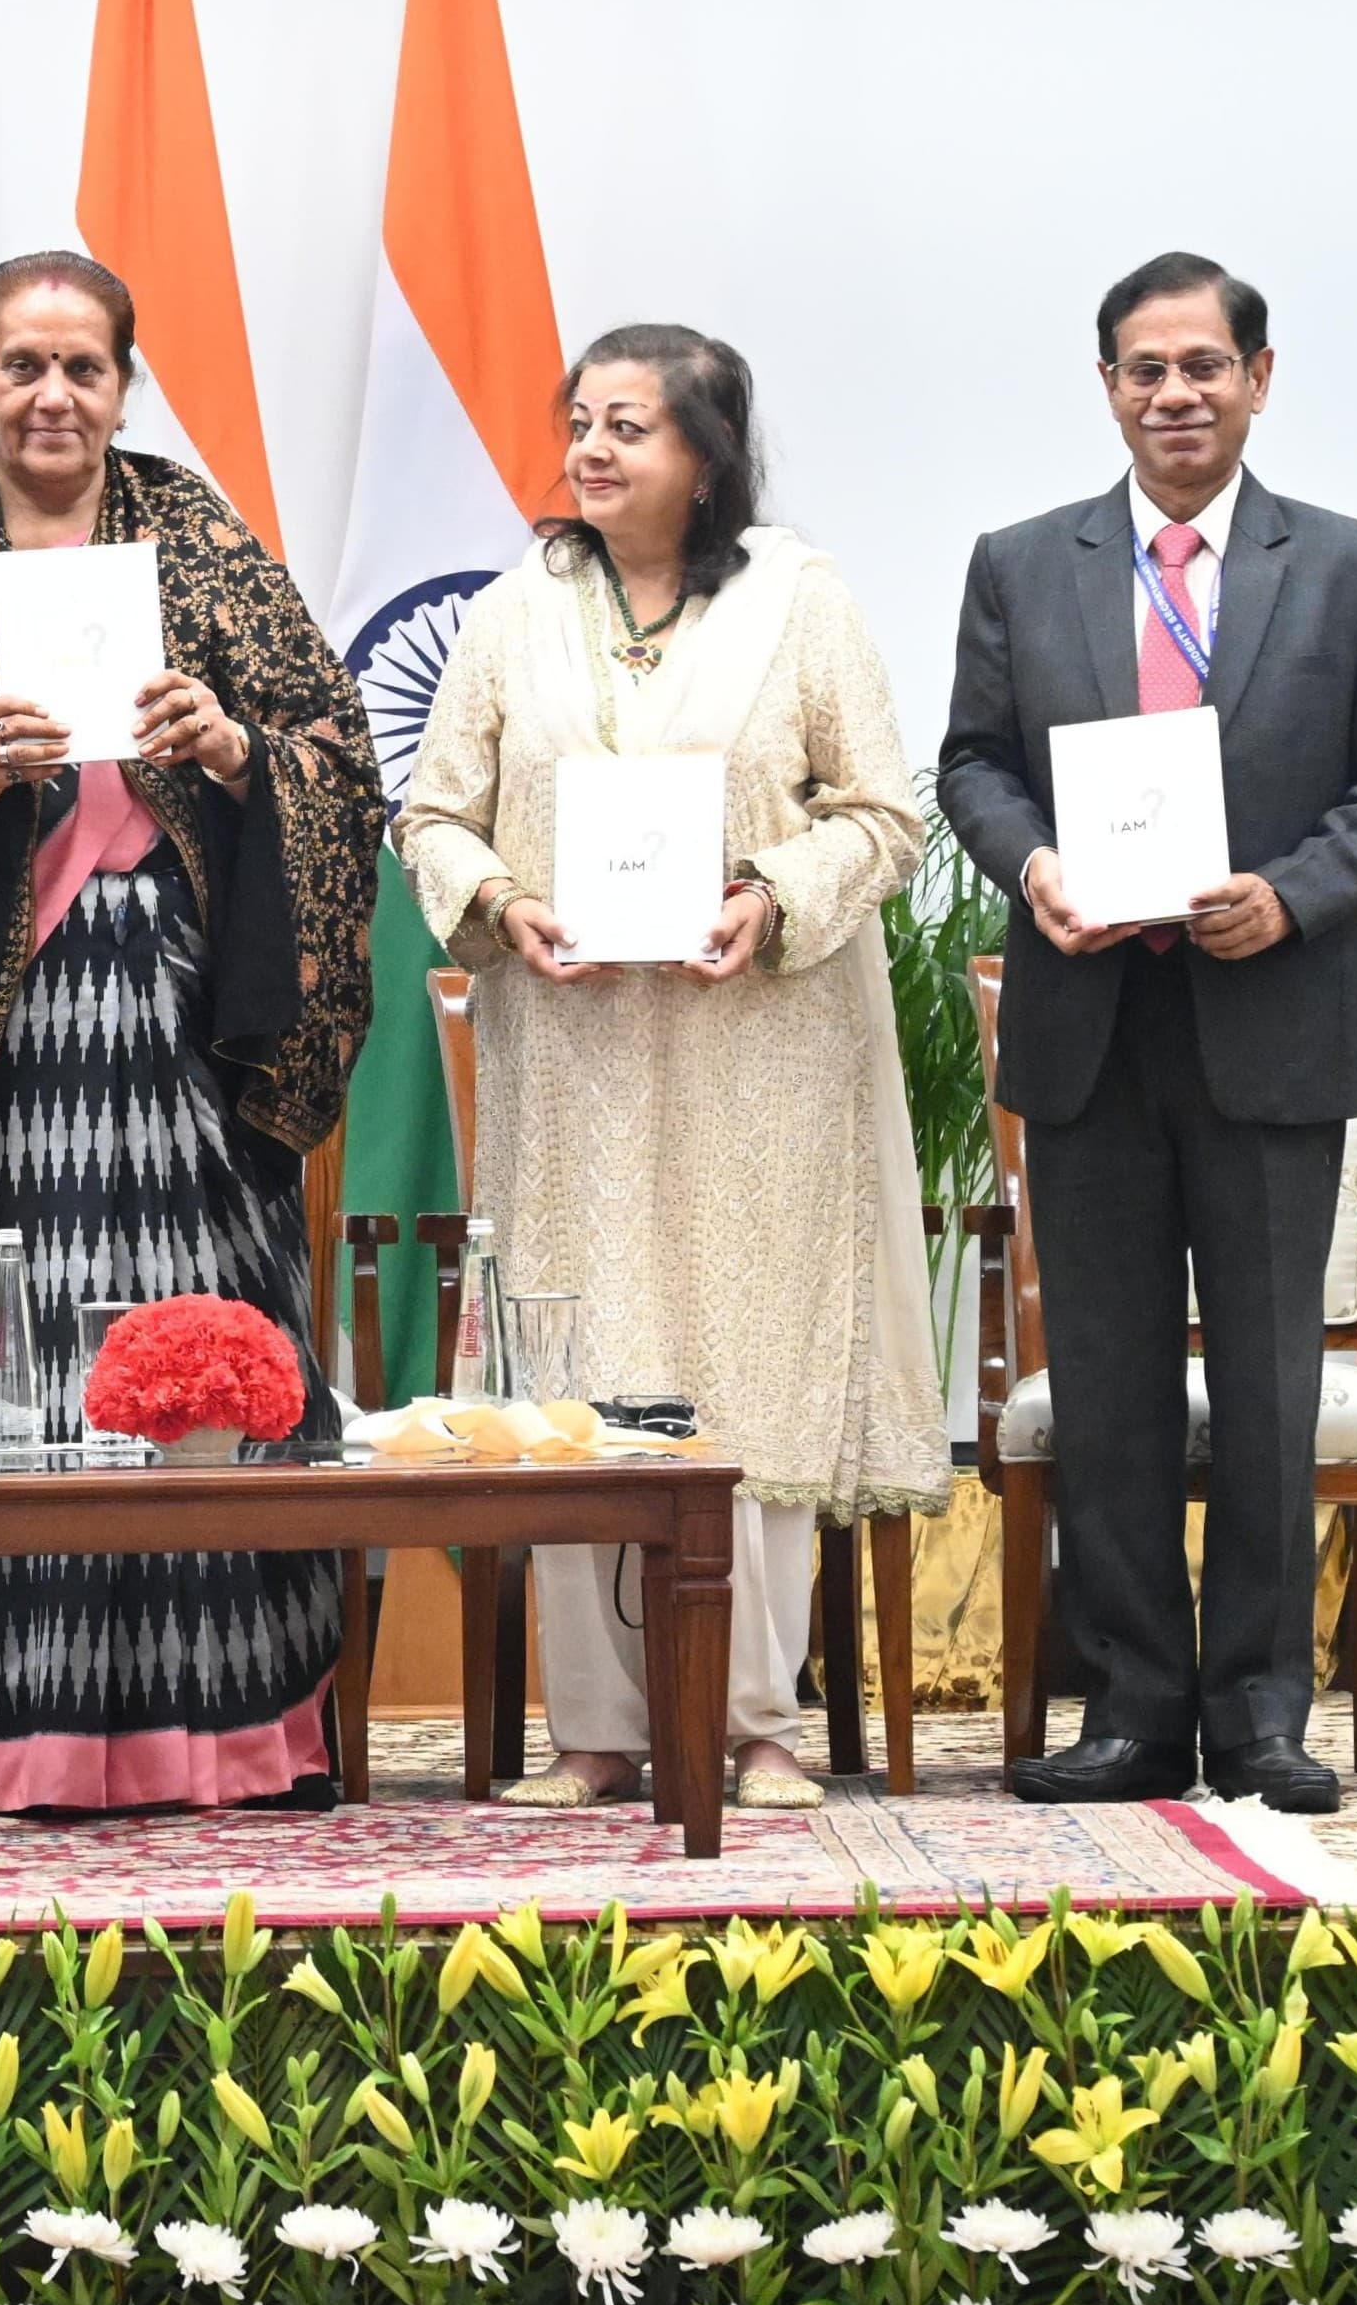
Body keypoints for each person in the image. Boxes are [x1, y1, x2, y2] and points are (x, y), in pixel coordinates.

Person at [0, 253, 380, 1813]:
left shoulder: (202, 548)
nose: (52, 396)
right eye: (21, 366)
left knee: (207, 1352)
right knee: (20, 1369)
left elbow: (337, 755)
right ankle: (34, 1751)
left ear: (124, 382)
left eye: (83, 367)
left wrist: (238, 754)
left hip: (186, 1032)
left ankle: (243, 1741)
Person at [396, 324, 951, 1809]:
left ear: (704, 457)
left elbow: (883, 817)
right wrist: (504, 905)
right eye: (577, 419)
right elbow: (432, 816)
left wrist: (767, 895)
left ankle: (756, 1720)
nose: (588, 448)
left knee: (739, 1364)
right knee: (590, 1368)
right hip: (571, 1053)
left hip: (760, 1050)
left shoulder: (799, 599)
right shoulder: (517, 606)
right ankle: (592, 1730)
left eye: (626, 426)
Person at [937, 254, 1357, 1815]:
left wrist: (1288, 896)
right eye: (1143, 368)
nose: (1175, 393)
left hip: (1269, 1019)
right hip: (1086, 1022)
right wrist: (1032, 867)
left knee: (1264, 1382)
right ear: (1106, 386)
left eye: (1203, 366)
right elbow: (970, 762)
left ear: (1257, 378)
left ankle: (1258, 1716)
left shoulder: (1356, 565)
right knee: (1100, 1384)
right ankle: (1130, 1714)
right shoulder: (1022, 563)